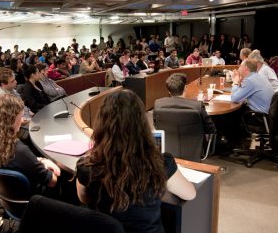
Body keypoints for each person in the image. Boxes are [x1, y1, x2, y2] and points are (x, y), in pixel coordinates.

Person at [76, 89, 196, 232]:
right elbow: (190, 194)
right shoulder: (160, 163)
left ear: (101, 124)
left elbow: (83, 198)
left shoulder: (87, 166)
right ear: (142, 123)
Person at [0, 94, 61, 196]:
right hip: (33, 202)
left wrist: (41, 160)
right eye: (20, 117)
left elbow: (22, 162)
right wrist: (50, 162)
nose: (21, 121)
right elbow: (52, 182)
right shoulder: (18, 150)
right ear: (10, 120)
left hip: (9, 199)